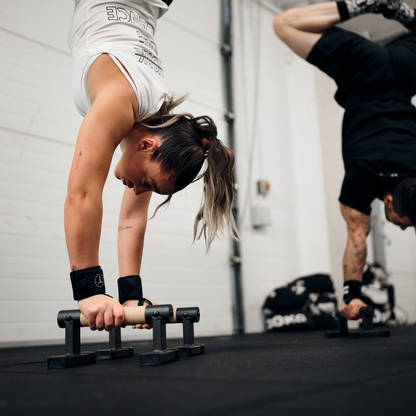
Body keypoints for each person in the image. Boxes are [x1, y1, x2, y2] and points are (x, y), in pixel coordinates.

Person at [66, 0, 239, 331]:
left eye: (148, 189)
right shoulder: (119, 102)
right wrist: (89, 291)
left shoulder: (155, 124)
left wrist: (131, 296)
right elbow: (83, 193)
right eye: (147, 181)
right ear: (147, 146)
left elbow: (131, 216)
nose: (138, 189)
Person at [273, 0, 416, 320]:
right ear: (389, 199)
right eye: (402, 223)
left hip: (404, 74)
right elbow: (357, 235)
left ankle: (403, 17)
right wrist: (351, 296)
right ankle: (363, 5)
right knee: (284, 24)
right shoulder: (363, 176)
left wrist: (354, 295)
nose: (403, 230)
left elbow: (360, 236)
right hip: (365, 70)